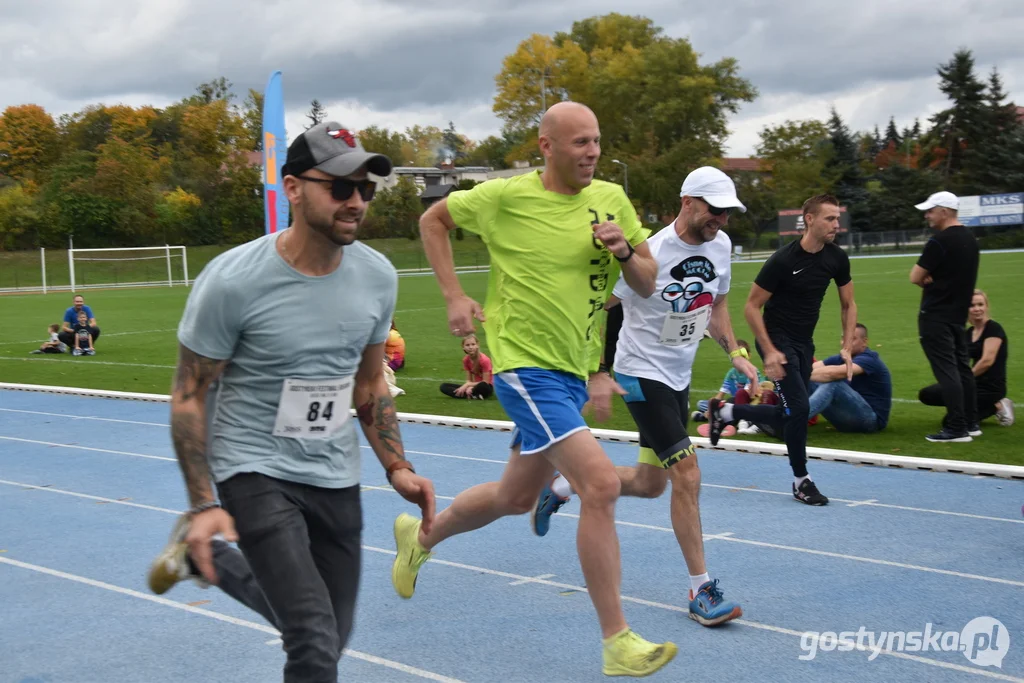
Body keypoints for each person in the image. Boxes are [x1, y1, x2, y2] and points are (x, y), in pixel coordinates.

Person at [145, 121, 436, 683]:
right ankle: (200, 535)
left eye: (366, 190)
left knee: (329, 634)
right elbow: (189, 396)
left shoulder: (377, 277)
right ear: (293, 188)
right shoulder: (232, 281)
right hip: (253, 467)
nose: (355, 202)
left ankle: (204, 560)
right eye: (340, 187)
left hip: (333, 470)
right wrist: (205, 504)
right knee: (310, 635)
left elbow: (370, 383)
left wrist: (397, 466)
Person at [398, 101, 678, 678]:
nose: (592, 152)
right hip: (524, 369)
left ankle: (421, 536)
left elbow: (647, 282)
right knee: (598, 483)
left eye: (596, 141)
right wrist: (454, 295)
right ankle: (617, 642)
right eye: (579, 142)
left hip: (571, 372)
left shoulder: (612, 202)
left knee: (515, 498)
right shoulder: (505, 198)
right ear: (546, 147)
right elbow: (433, 221)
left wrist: (623, 250)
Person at [532, 166, 759, 627]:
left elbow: (714, 305)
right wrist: (594, 369)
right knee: (688, 474)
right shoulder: (650, 251)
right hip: (639, 372)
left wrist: (734, 350)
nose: (722, 220)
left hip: (677, 375)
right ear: (688, 202)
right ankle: (701, 590)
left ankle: (562, 484)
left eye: (728, 212)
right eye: (716, 210)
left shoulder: (721, 247)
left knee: (651, 483)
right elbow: (597, 306)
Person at [707, 194, 858, 506]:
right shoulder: (783, 260)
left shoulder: (836, 258)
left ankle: (726, 412)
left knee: (790, 412)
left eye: (837, 218)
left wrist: (846, 346)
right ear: (810, 219)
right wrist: (769, 350)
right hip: (777, 341)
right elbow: (751, 307)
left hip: (805, 342)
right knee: (799, 409)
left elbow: (848, 303)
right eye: (829, 218)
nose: (835, 225)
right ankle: (802, 481)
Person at [909, 191, 980, 442]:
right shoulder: (970, 239)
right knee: (962, 368)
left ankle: (957, 427)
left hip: (936, 314)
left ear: (945, 211)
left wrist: (930, 279)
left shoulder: (939, 241)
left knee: (947, 371)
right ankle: (971, 421)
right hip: (958, 315)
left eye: (931, 210)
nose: (927, 215)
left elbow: (915, 277)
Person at [919, 289, 1013, 426]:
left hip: (990, 388)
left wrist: (965, 378)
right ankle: (968, 406)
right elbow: (959, 359)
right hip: (971, 384)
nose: (977, 309)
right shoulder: (968, 333)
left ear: (986, 307)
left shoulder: (993, 329)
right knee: (927, 394)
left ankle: (997, 405)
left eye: (980, 305)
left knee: (950, 423)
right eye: (972, 305)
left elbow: (987, 361)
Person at [807, 323, 892, 433]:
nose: (845, 343)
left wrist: (801, 375)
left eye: (852, 339)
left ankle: (790, 420)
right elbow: (810, 369)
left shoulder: (869, 359)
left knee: (832, 382)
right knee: (806, 379)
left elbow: (833, 374)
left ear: (865, 342)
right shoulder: (841, 358)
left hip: (870, 422)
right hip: (847, 418)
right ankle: (783, 413)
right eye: (843, 338)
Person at [439, 333, 493, 399]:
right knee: (443, 386)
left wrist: (468, 385)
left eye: (473, 344)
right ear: (463, 347)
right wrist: (469, 387)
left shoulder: (484, 360)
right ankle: (473, 395)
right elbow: (469, 380)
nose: (470, 347)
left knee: (483, 385)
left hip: (486, 387)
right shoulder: (466, 360)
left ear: (477, 345)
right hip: (474, 386)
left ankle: (469, 395)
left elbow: (486, 381)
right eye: (467, 345)